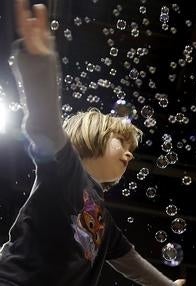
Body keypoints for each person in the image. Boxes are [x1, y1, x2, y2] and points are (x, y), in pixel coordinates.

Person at [0, 1, 186, 285]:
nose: (129, 154)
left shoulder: (104, 222)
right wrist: (39, 65)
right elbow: (45, 125)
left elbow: (131, 262)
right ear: (91, 135)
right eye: (122, 141)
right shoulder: (66, 169)